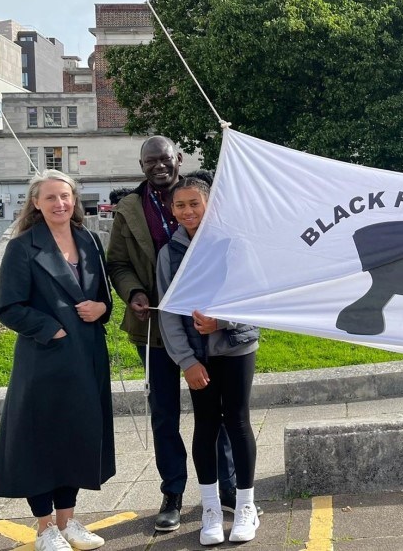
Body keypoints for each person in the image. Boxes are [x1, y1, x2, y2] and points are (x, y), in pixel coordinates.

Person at [106, 136, 241, 531]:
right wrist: (133, 291)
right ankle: (173, 492)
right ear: (142, 165)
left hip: (204, 327)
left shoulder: (205, 201)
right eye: (149, 162)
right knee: (164, 414)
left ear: (178, 159)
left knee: (216, 413)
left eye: (164, 159)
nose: (158, 166)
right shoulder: (129, 208)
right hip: (152, 328)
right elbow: (117, 262)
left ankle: (227, 489)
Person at [0, 170, 114, 551]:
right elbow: (8, 307)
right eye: (50, 198)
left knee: (75, 436)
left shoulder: (90, 239)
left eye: (65, 196)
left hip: (87, 356)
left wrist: (103, 308)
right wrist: (51, 327)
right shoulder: (23, 246)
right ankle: (45, 528)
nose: (60, 204)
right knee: (40, 440)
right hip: (45, 358)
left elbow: (102, 294)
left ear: (74, 200)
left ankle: (68, 520)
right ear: (36, 204)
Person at [156, 177, 261, 544]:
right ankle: (211, 508)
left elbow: (255, 297)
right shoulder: (169, 254)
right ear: (172, 210)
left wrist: (222, 321)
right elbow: (168, 312)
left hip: (235, 349)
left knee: (238, 421)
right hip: (198, 358)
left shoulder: (233, 243)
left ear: (209, 204)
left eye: (195, 204)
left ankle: (246, 505)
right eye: (180, 205)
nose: (188, 211)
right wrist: (186, 360)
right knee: (205, 425)